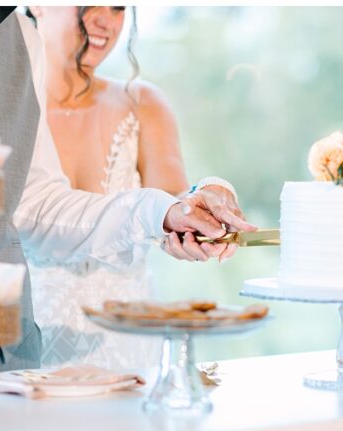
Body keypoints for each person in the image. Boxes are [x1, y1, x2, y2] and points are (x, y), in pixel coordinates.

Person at [0, 7, 255, 382]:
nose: (104, 20)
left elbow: (37, 200)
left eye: (117, 6)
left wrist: (167, 210)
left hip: (13, 359)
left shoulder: (23, 41)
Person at [25, 6, 219, 370]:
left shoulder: (143, 104)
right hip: (27, 350)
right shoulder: (3, 111)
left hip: (128, 347)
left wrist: (209, 195)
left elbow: (176, 204)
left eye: (117, 6)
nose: (106, 20)